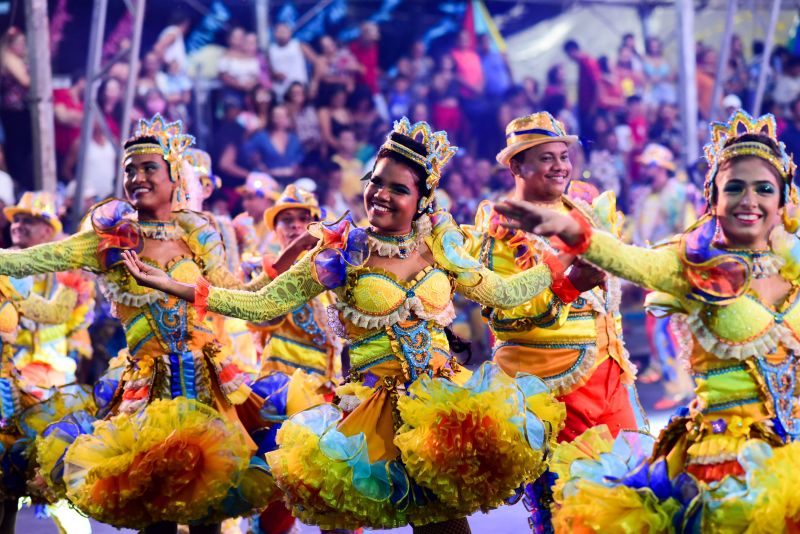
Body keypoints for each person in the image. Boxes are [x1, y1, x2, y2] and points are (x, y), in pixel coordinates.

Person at [121, 118, 568, 533]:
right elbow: (260, 305)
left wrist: (563, 267)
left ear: (421, 198)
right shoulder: (340, 251)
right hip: (374, 412)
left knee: (447, 527)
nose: (381, 195)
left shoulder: (441, 245)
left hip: (441, 409)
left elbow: (503, 293)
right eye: (376, 181)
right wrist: (177, 286)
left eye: (397, 188)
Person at [496, 110, 800, 530]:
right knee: (564, 499)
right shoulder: (690, 264)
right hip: (723, 464)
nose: (750, 200)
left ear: (784, 199)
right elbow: (629, 259)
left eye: (764, 188)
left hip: (789, 459)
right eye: (735, 187)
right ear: (713, 198)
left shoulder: (793, 266)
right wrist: (570, 233)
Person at [0, 115, 284, 533]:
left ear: (174, 178)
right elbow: (33, 258)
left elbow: (235, 294)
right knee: (155, 510)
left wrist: (283, 269)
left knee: (209, 505)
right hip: (147, 392)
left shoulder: (195, 233)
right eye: (130, 171)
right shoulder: (110, 236)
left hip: (207, 386)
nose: (137, 178)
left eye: (149, 168)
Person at [234, 172, 281, 256]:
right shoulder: (240, 221)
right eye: (244, 199)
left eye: (250, 198)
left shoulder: (279, 225)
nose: (245, 204)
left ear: (268, 200)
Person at [563, 39, 601, 141]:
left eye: (568, 54)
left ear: (572, 51)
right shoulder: (582, 64)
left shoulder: (588, 62)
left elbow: (597, 86)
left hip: (591, 110)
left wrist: (592, 110)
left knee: (593, 139)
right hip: (585, 109)